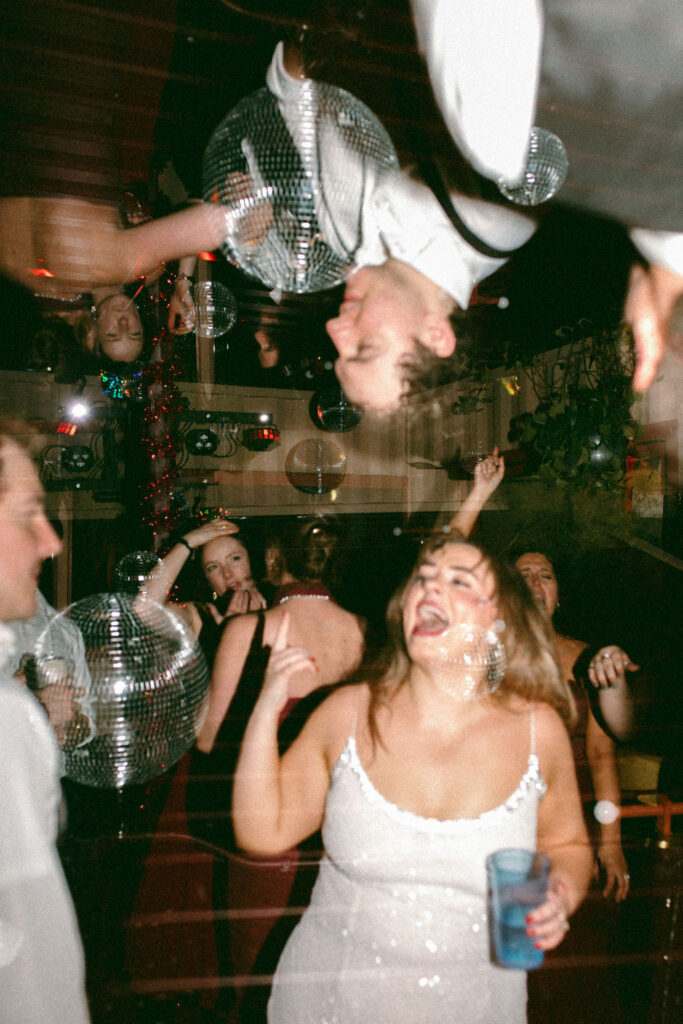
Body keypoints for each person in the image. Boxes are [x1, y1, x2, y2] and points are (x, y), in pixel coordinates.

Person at [233, 533, 592, 1023]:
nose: (429, 590)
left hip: (478, 1005)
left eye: (459, 581)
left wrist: (562, 895)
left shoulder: (538, 731)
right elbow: (261, 831)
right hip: (332, 1004)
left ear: (498, 618)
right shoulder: (348, 713)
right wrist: (264, 706)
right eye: (422, 579)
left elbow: (568, 843)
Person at [195, 515, 365, 1019]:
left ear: (272, 562)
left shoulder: (247, 629)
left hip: (270, 824)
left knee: (256, 983)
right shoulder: (364, 630)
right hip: (339, 832)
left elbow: (209, 740)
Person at [0, 434, 90, 1024]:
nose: (53, 543)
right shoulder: (6, 718)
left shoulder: (61, 634)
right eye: (29, 515)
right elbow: (35, 962)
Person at [140, 516, 267, 653]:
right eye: (213, 567)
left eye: (234, 559)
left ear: (252, 560)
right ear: (207, 579)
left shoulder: (282, 602)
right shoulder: (200, 617)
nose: (227, 573)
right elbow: (144, 611)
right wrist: (187, 542)